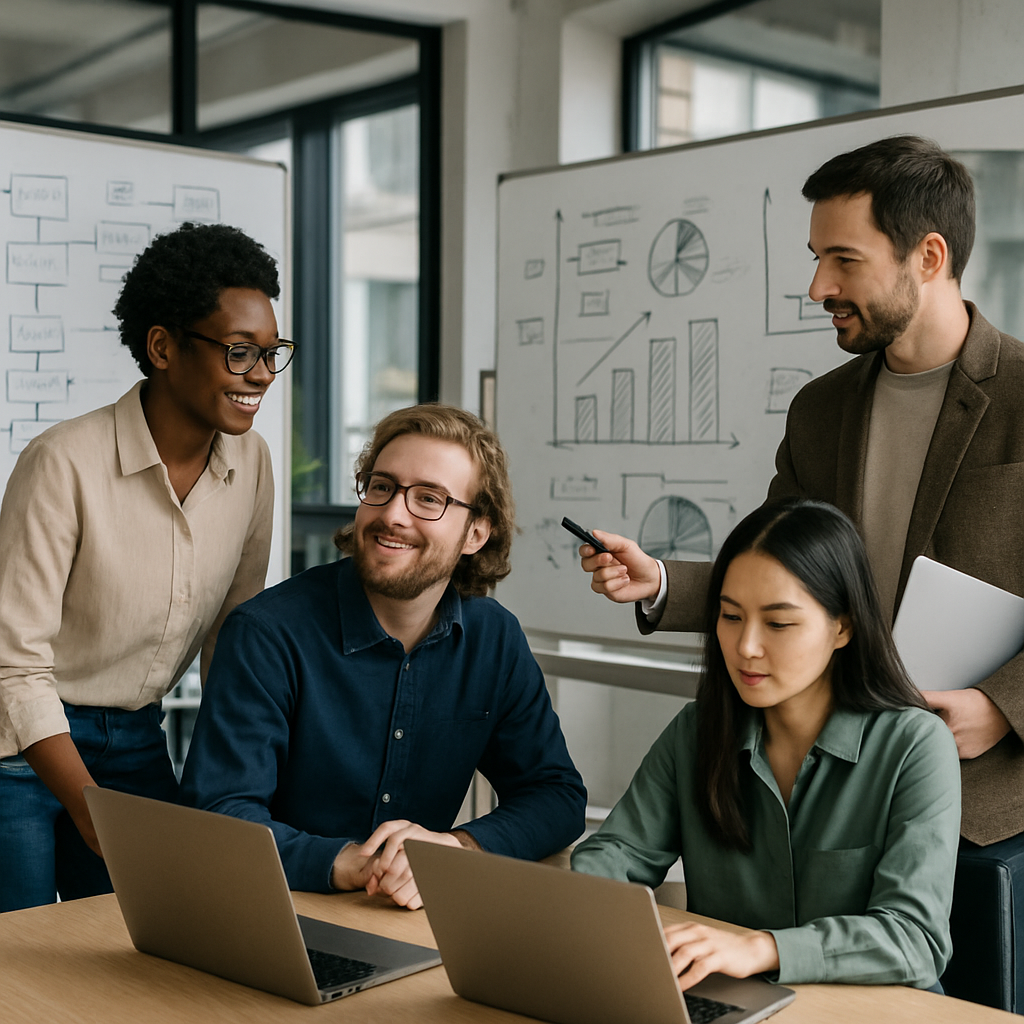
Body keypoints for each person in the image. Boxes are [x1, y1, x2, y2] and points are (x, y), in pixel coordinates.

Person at [580, 136, 1024, 850]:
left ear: (930, 258)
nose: (819, 287)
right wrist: (660, 581)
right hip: (827, 792)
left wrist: (1004, 707)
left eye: (844, 260)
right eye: (817, 259)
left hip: (980, 803)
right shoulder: (821, 409)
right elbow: (778, 562)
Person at [180, 403, 586, 908]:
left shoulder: (494, 639)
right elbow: (219, 814)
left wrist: (455, 847)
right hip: (272, 909)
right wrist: (348, 861)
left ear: (476, 533)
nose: (393, 514)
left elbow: (556, 794)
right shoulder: (267, 633)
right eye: (382, 487)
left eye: (429, 499)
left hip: (412, 917)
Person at [0, 222, 289, 912]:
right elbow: (13, 664)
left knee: (141, 950)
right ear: (162, 346)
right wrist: (88, 804)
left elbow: (234, 639)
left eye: (272, 354)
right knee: (25, 961)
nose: (260, 377)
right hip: (18, 752)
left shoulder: (251, 465)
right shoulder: (62, 462)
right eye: (240, 352)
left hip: (136, 740)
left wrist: (233, 787)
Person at [572, 499, 961, 991]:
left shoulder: (914, 745)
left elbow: (915, 939)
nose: (746, 646)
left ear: (843, 626)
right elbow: (617, 853)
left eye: (778, 623)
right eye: (730, 617)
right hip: (735, 1003)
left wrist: (760, 948)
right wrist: (591, 904)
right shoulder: (697, 731)